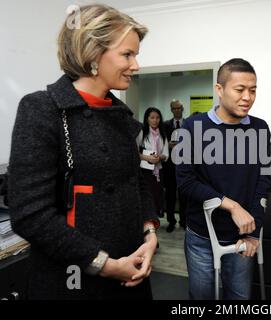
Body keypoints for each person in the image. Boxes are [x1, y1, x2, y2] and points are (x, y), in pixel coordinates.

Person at [7, 5, 159, 299]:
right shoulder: (42, 109)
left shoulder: (121, 116)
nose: (136, 65)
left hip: (133, 272)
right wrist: (103, 264)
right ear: (92, 54)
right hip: (73, 279)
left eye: (136, 55)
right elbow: (30, 214)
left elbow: (137, 183)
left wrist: (150, 234)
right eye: (127, 55)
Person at [176, 58, 271, 299]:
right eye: (240, 89)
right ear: (219, 90)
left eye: (253, 90)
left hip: (243, 236)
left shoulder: (260, 128)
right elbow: (185, 181)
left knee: (239, 298)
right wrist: (231, 205)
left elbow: (264, 182)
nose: (247, 97)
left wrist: (253, 231)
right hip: (201, 235)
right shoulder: (191, 127)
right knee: (201, 298)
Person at [140, 107, 169, 217]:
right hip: (145, 171)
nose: (155, 120)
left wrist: (159, 157)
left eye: (157, 118)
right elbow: (133, 152)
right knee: (146, 197)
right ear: (147, 119)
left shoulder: (162, 134)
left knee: (157, 197)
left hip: (158, 171)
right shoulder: (142, 133)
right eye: (152, 117)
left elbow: (166, 155)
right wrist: (147, 158)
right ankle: (146, 221)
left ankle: (154, 220)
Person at [163, 100, 186, 232]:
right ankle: (171, 220)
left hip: (184, 164)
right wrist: (168, 145)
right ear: (171, 110)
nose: (177, 110)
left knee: (184, 195)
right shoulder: (165, 125)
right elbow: (162, 143)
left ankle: (184, 220)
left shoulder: (188, 123)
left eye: (178, 108)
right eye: (174, 108)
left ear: (182, 108)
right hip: (170, 166)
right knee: (170, 195)